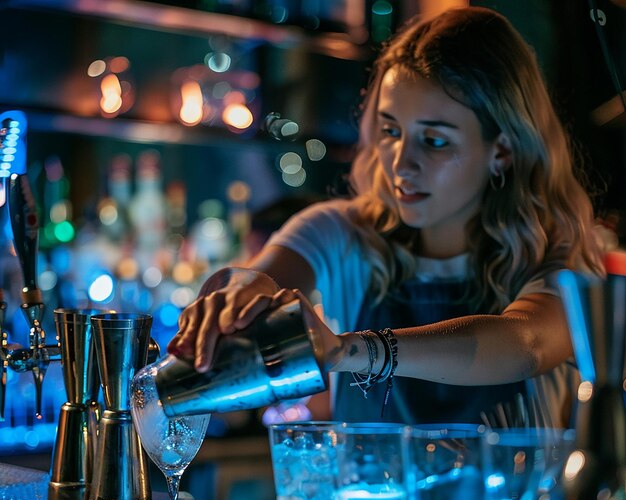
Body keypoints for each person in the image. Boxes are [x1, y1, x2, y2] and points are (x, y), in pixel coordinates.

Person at [168, 7, 604, 428]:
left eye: (433, 140)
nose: (400, 164)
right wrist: (245, 287)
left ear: (502, 151)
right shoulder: (340, 230)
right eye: (391, 131)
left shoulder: (556, 255)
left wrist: (348, 351)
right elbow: (261, 274)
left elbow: (524, 343)